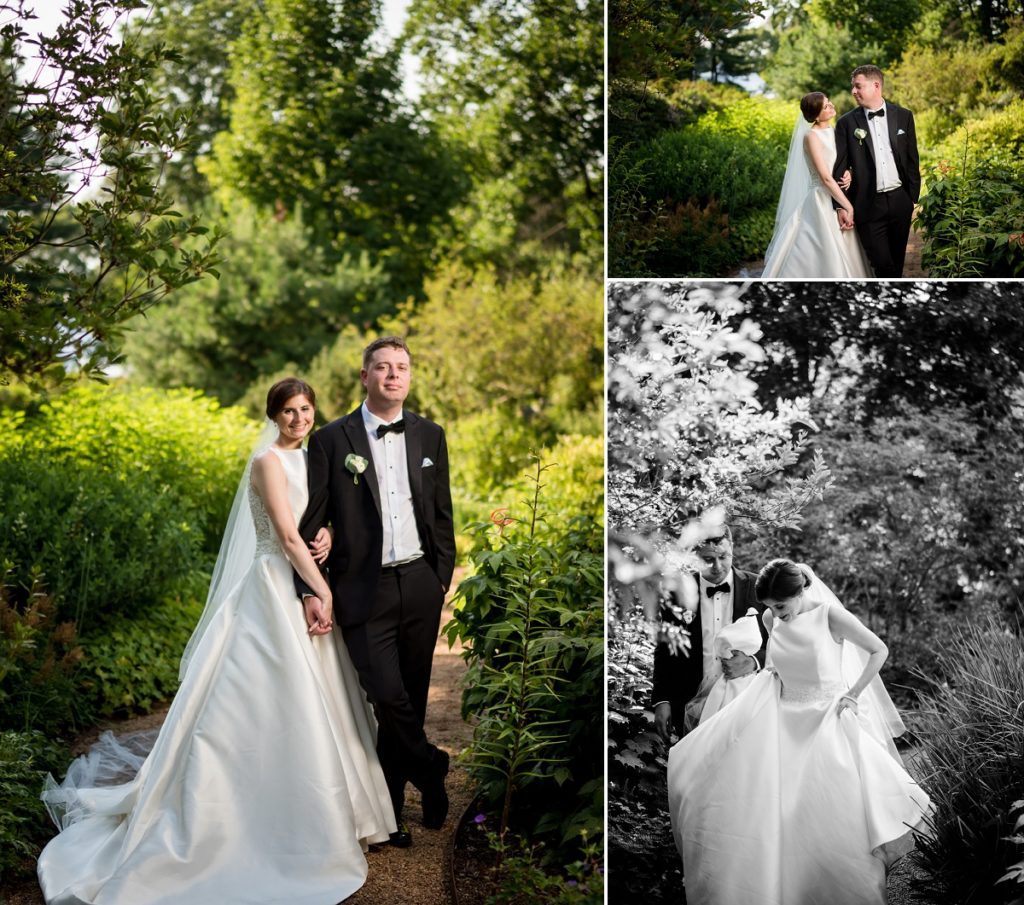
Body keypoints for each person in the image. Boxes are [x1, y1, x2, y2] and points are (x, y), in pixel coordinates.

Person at [36, 378, 396, 905]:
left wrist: (333, 536)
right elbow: (286, 533)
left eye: (305, 409)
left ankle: (341, 814)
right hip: (275, 587)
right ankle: (247, 822)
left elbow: (318, 520)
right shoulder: (267, 462)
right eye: (289, 411)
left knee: (323, 698)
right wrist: (322, 589)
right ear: (273, 416)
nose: (299, 419)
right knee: (264, 698)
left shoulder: (316, 454)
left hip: (305, 585)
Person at [667, 559, 931, 905]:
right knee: (770, 809)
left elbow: (878, 650)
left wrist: (853, 694)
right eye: (770, 608)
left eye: (781, 606)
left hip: (824, 722)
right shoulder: (769, 618)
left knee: (829, 812)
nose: (776, 614)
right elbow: (776, 663)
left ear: (800, 591)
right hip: (780, 723)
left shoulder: (830, 616)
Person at [295, 336, 456, 848]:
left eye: (401, 368)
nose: (393, 375)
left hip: (420, 583)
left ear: (410, 376)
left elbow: (442, 513)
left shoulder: (431, 435)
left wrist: (439, 576)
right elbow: (310, 521)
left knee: (407, 698)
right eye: (382, 368)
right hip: (362, 589)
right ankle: (432, 769)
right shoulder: (330, 441)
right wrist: (310, 589)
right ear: (364, 376)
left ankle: (390, 813)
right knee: (386, 696)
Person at [651, 526, 768, 740]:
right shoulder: (676, 592)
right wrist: (662, 699)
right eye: (707, 559)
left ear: (732, 548)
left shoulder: (758, 589)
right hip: (689, 703)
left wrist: (754, 661)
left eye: (723, 557)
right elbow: (665, 648)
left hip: (745, 702)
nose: (717, 567)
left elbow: (779, 643)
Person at [762, 92, 873, 278]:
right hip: (821, 199)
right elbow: (825, 177)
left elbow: (843, 163)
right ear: (815, 115)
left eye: (829, 103)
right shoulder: (811, 136)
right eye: (825, 107)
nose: (831, 107)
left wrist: (849, 174)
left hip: (839, 194)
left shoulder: (837, 130)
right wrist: (847, 205)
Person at [833, 65, 921, 278]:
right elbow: (839, 167)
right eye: (853, 87)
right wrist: (840, 206)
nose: (853, 91)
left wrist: (912, 198)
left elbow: (912, 159)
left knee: (897, 263)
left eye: (858, 86)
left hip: (900, 201)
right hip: (867, 205)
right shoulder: (846, 123)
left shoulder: (904, 116)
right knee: (883, 266)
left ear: (876, 85)